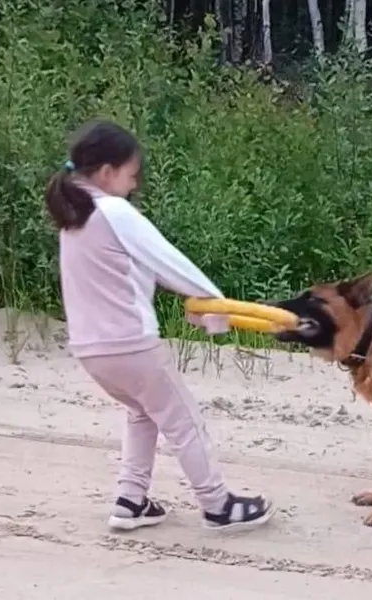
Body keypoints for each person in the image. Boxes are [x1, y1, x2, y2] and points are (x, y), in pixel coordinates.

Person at [43, 118, 274, 532]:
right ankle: (218, 505)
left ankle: (130, 500)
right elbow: (169, 261)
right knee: (185, 421)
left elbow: (131, 270)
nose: (135, 185)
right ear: (108, 172)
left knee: (142, 411)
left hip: (91, 350)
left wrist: (204, 306)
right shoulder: (114, 211)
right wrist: (216, 304)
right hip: (131, 344)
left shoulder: (74, 218)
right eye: (132, 175)